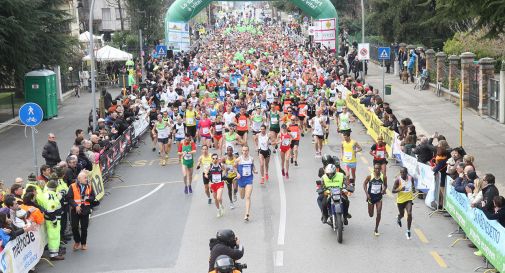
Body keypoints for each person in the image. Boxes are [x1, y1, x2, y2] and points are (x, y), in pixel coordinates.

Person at [67, 171, 95, 251]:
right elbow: (69, 198)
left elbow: (93, 196)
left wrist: (89, 199)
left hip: (85, 209)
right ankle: (77, 241)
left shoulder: (89, 186)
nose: (86, 179)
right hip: (75, 210)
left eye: (86, 178)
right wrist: (76, 206)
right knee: (74, 227)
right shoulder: (72, 186)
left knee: (84, 228)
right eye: (85, 178)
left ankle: (83, 243)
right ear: (79, 179)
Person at [39, 179, 65, 260]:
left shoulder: (46, 194)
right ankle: (54, 254)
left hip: (49, 219)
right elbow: (51, 211)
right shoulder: (51, 197)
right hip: (53, 220)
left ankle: (54, 252)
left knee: (52, 236)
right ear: (55, 187)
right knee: (54, 236)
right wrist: (54, 221)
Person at [363, 163, 387, 236]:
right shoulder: (370, 176)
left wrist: (384, 190)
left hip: (378, 197)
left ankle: (376, 228)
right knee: (371, 214)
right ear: (374, 169)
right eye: (375, 168)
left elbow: (385, 185)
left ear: (380, 169)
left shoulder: (384, 177)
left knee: (379, 212)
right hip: (371, 197)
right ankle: (371, 213)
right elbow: (364, 184)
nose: (377, 170)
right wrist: (367, 194)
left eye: (378, 169)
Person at [235, 145, 258, 221]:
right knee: (242, 196)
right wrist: (237, 173)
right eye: (243, 150)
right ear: (242, 151)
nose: (245, 152)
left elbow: (253, 166)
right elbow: (234, 167)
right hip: (241, 180)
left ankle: (247, 214)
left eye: (246, 150)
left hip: (249, 179)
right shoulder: (238, 159)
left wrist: (255, 170)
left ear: (248, 151)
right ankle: (238, 191)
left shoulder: (251, 159)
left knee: (248, 197)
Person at [392, 167, 416, 240]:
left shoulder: (411, 178)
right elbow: (393, 191)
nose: (402, 174)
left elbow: (413, 186)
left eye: (404, 172)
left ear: (406, 173)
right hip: (400, 200)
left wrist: (413, 189)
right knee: (402, 214)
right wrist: (400, 189)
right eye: (401, 172)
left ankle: (408, 231)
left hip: (409, 199)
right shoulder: (398, 180)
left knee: (409, 213)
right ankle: (399, 218)